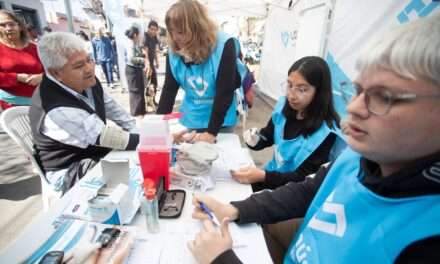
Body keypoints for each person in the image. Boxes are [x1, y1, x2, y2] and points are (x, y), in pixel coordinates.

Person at [189, 14, 440, 264]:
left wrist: (222, 260)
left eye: (383, 97)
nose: (353, 108)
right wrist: (236, 208)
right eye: (358, 91)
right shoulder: (356, 158)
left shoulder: (425, 240)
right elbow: (307, 190)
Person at [30, 32, 139, 194]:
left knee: (138, 160)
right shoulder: (57, 111)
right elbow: (109, 138)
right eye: (79, 66)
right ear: (56, 73)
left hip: (95, 153)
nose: (89, 69)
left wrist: (138, 130)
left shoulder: (85, 80)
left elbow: (114, 110)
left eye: (89, 60)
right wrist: (154, 141)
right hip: (69, 170)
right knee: (134, 181)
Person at [232, 56, 345, 191]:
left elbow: (303, 179)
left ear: (319, 91)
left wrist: (263, 176)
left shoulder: (326, 133)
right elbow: (268, 135)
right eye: (290, 85)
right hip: (271, 176)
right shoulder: (285, 107)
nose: (292, 95)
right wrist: (256, 140)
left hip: (292, 193)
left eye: (302, 89)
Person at [157, 0, 247, 143]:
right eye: (171, 31)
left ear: (197, 27)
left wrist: (211, 133)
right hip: (192, 118)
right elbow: (169, 90)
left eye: (180, 32)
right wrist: (158, 127)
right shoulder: (174, 49)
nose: (175, 38)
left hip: (220, 122)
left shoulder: (224, 45)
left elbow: (225, 92)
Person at [0, 10, 43, 110]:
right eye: (2, 25)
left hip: (40, 100)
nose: (8, 28)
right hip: (11, 105)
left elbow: (52, 70)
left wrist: (42, 77)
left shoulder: (35, 48)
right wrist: (17, 77)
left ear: (19, 26)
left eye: (11, 24)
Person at [124, 26, 147, 120]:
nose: (140, 36)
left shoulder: (135, 43)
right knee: (135, 91)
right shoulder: (130, 44)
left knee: (141, 89)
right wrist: (143, 60)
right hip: (132, 70)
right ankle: (137, 113)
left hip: (137, 69)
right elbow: (131, 59)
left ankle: (142, 111)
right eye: (139, 35)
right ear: (135, 35)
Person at [142, 20, 160, 96]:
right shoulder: (145, 36)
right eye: (152, 29)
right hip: (146, 64)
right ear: (148, 28)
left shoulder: (155, 37)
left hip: (151, 63)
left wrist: (157, 61)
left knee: (154, 82)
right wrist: (148, 64)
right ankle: (148, 102)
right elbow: (145, 51)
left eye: (155, 30)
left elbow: (155, 50)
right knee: (148, 83)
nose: (153, 31)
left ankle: (153, 100)